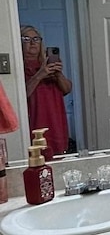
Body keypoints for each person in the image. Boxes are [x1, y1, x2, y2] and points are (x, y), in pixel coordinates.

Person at [21, 25, 72, 156]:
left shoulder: (49, 64)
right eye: (26, 39)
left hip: (55, 121)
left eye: (36, 39)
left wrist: (59, 74)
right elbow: (20, 96)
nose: (32, 43)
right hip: (35, 123)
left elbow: (66, 89)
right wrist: (40, 74)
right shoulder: (18, 68)